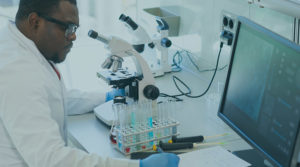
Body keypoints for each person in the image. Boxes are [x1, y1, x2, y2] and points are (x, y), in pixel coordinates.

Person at [0, 0, 180, 167]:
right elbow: (51, 159)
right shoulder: (19, 72)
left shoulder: (21, 45)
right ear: (35, 22)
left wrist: (108, 97)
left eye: (75, 29)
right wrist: (138, 166)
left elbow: (51, 97)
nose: (73, 37)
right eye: (68, 27)